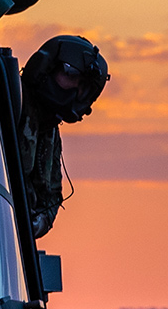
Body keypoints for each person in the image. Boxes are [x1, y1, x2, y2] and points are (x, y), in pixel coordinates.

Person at [18, 35, 108, 237]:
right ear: (48, 66)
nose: (76, 88)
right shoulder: (8, 101)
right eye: (70, 74)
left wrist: (38, 222)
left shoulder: (49, 132)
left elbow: (52, 194)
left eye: (84, 85)